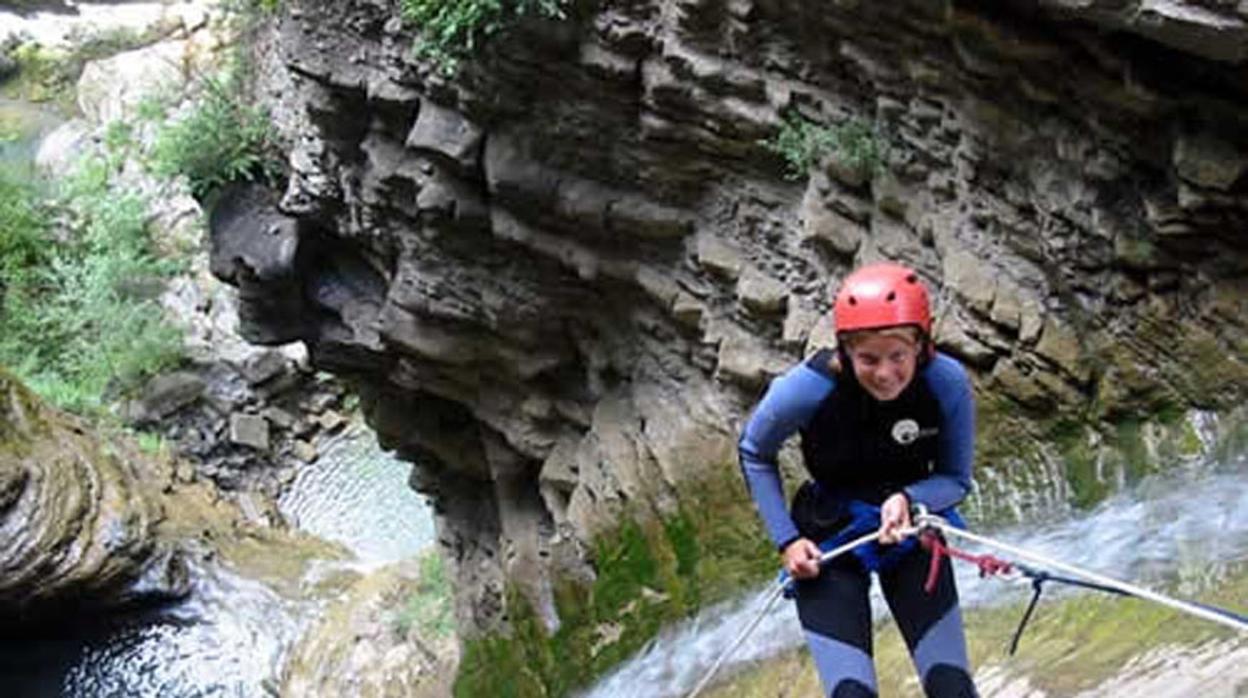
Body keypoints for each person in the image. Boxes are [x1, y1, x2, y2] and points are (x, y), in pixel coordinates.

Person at [738, 261, 979, 697]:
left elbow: (956, 479)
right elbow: (755, 451)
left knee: (952, 689)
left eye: (898, 357)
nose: (885, 373)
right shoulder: (806, 389)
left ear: (921, 347)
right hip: (829, 539)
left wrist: (910, 498)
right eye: (868, 359)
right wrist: (787, 541)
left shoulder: (945, 382)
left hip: (910, 532)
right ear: (845, 352)